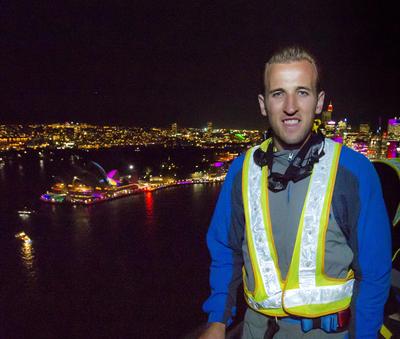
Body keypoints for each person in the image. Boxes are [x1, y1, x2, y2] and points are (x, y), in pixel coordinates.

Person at [199, 46, 392, 338]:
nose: (290, 106)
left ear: (319, 102)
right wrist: (217, 320)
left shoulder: (353, 172)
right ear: (264, 105)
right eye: (278, 93)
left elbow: (374, 273)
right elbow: (226, 249)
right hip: (256, 331)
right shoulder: (242, 171)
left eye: (302, 92)